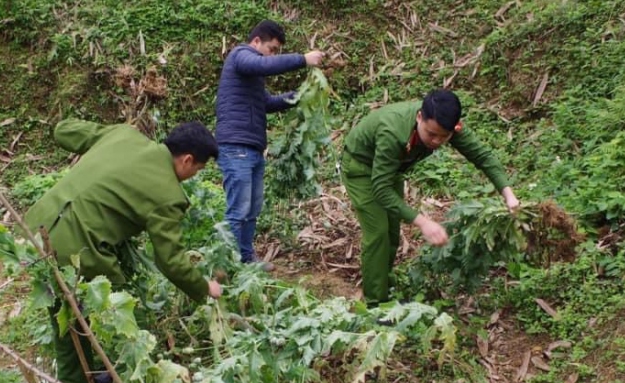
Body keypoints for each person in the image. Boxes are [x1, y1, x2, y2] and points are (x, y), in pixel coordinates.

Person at [25, 118, 223, 383]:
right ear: (187, 160)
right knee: (124, 316)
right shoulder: (168, 196)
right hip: (77, 248)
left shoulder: (122, 135)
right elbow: (170, 261)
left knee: (65, 309)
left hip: (36, 229)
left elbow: (62, 129)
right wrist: (204, 288)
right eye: (199, 169)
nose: (195, 175)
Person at [341, 89, 520, 306]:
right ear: (419, 117)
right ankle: (374, 305)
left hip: (391, 169)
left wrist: (508, 194)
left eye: (444, 137)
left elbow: (482, 156)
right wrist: (423, 222)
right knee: (378, 233)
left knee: (391, 232)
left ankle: (384, 288)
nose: (436, 141)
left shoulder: (447, 125)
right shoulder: (393, 131)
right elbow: (380, 189)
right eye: (431, 134)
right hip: (361, 168)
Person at [215, 19, 325, 269]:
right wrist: (303, 59)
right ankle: (228, 265)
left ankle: (245, 258)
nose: (273, 55)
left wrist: (301, 95)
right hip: (235, 145)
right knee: (238, 209)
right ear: (256, 42)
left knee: (252, 209)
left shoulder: (251, 78)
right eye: (273, 49)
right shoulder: (240, 55)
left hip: (252, 147)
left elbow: (268, 103)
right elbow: (262, 64)